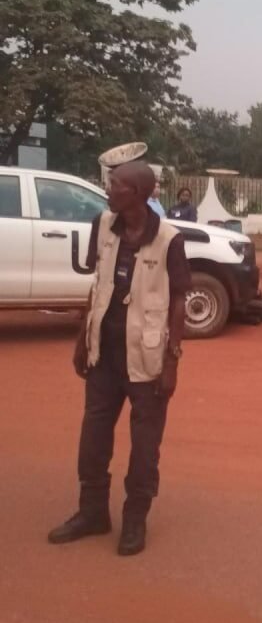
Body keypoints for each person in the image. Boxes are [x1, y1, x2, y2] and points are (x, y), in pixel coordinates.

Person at [48, 161, 192, 556]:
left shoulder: (169, 239)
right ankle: (92, 511)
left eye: (115, 185)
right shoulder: (104, 225)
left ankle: (135, 518)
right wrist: (83, 336)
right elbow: (99, 282)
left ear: (138, 194)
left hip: (146, 360)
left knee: (145, 446)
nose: (108, 190)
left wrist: (172, 360)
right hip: (104, 356)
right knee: (93, 437)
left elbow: (180, 299)